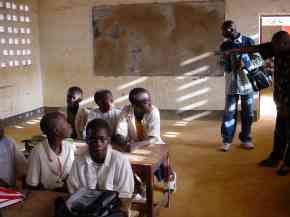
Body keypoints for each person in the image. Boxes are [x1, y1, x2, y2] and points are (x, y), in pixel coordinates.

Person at [223, 31, 290, 175]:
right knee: (279, 132)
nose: (273, 49)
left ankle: (287, 164)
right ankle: (275, 157)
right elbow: (257, 49)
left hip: (288, 102)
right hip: (281, 101)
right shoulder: (277, 47)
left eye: (276, 46)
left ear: (285, 43)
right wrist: (238, 50)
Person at [67, 119, 134, 216]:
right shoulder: (79, 161)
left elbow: (125, 197)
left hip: (113, 210)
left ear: (109, 140)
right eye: (93, 139)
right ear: (87, 140)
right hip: (84, 211)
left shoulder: (121, 161)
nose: (98, 143)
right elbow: (73, 193)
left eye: (102, 139)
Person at [115, 87, 176, 192]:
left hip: (153, 143)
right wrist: (123, 143)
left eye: (149, 100)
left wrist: (135, 145)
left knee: (162, 163)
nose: (149, 104)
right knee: (128, 163)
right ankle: (140, 185)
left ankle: (170, 178)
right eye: (144, 102)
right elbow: (120, 132)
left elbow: (153, 137)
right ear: (134, 105)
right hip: (135, 143)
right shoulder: (126, 110)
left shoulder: (154, 111)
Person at [219, 20, 264, 151]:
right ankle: (226, 140)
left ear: (231, 30)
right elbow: (223, 65)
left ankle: (246, 139)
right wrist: (225, 61)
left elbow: (259, 60)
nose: (222, 34)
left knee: (248, 113)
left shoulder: (249, 41)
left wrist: (246, 64)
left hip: (247, 84)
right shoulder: (224, 45)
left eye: (224, 31)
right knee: (229, 113)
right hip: (232, 85)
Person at [26, 112, 75, 190]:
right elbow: (32, 184)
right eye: (66, 123)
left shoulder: (69, 147)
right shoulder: (37, 152)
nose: (69, 125)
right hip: (46, 195)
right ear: (56, 131)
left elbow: (72, 174)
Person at [0, 119, 27, 188]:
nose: (2, 129)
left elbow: (21, 163)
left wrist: (23, 174)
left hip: (9, 187)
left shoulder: (9, 142)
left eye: (2, 126)